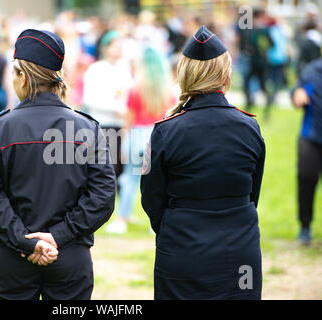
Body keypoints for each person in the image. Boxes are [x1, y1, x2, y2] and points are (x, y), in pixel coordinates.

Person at [0, 29, 116, 300]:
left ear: (23, 78)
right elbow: (102, 197)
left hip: (13, 257)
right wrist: (57, 237)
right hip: (69, 256)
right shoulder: (88, 128)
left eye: (15, 72)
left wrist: (25, 241)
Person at [140, 26, 265, 300]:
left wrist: (175, 226)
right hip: (240, 251)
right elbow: (252, 193)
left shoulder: (166, 130)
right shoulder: (249, 127)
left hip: (183, 249)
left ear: (184, 72)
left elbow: (151, 197)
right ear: (225, 72)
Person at [106, 47, 174, 234]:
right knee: (161, 182)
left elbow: (128, 119)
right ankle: (159, 221)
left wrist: (125, 142)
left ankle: (121, 219)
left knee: (129, 179)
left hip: (137, 136)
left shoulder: (135, 89)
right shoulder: (167, 90)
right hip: (160, 137)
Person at [82, 30, 133, 187]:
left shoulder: (124, 70)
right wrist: (114, 108)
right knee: (105, 164)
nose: (119, 50)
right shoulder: (95, 69)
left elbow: (128, 94)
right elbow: (89, 98)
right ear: (106, 48)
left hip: (121, 123)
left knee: (120, 162)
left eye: (120, 46)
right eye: (115, 46)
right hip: (103, 123)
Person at [291, 57, 322, 245]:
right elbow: (296, 89)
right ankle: (305, 227)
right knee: (306, 179)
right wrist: (297, 92)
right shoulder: (313, 69)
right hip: (311, 136)